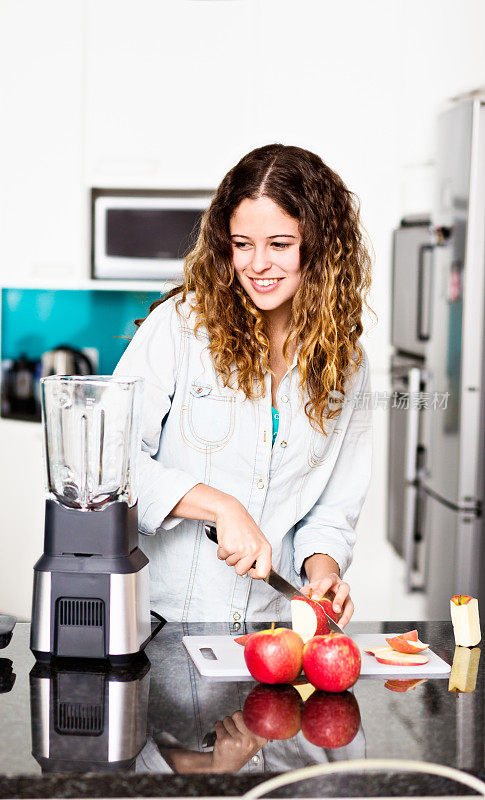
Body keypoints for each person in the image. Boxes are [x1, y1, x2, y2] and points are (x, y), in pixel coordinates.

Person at [114, 143, 373, 625]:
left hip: (269, 629)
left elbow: (333, 508)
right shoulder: (180, 327)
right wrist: (219, 506)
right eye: (241, 244)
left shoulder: (346, 363)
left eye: (280, 244)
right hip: (158, 622)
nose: (257, 264)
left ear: (318, 248)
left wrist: (324, 574)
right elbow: (110, 461)